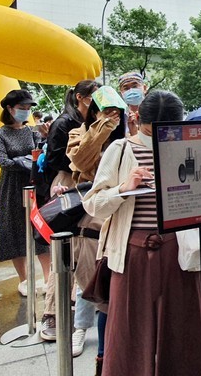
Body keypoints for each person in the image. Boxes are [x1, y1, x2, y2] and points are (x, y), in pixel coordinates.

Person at [83, 90, 201, 376]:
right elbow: (94, 204)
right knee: (129, 331)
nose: (161, 135)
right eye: (155, 130)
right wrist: (124, 189)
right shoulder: (121, 149)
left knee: (181, 328)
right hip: (132, 253)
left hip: (180, 249)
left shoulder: (189, 148)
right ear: (139, 119)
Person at [66, 85, 126, 364]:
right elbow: (79, 159)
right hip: (92, 219)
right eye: (105, 111)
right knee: (90, 280)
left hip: (124, 216)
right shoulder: (79, 133)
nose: (113, 116)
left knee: (117, 285)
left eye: (117, 112)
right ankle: (84, 332)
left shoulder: (129, 136)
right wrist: (102, 127)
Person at [40, 79, 100, 343]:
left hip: (95, 187)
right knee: (66, 252)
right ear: (80, 97)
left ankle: (81, 309)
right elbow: (58, 159)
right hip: (70, 186)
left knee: (88, 250)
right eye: (94, 97)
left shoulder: (102, 121)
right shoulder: (67, 123)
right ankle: (53, 313)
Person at [0, 89, 51, 296]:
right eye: (22, 108)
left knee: (40, 229)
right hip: (11, 188)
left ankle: (48, 277)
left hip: (35, 185)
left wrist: (41, 142)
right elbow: (3, 162)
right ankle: (24, 280)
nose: (25, 112)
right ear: (9, 108)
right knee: (14, 231)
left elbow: (41, 155)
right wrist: (28, 159)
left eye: (28, 108)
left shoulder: (33, 131)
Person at [118, 71, 148, 136]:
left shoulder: (155, 113)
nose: (131, 90)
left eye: (135, 86)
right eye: (126, 88)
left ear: (145, 88)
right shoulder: (118, 117)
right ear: (121, 93)